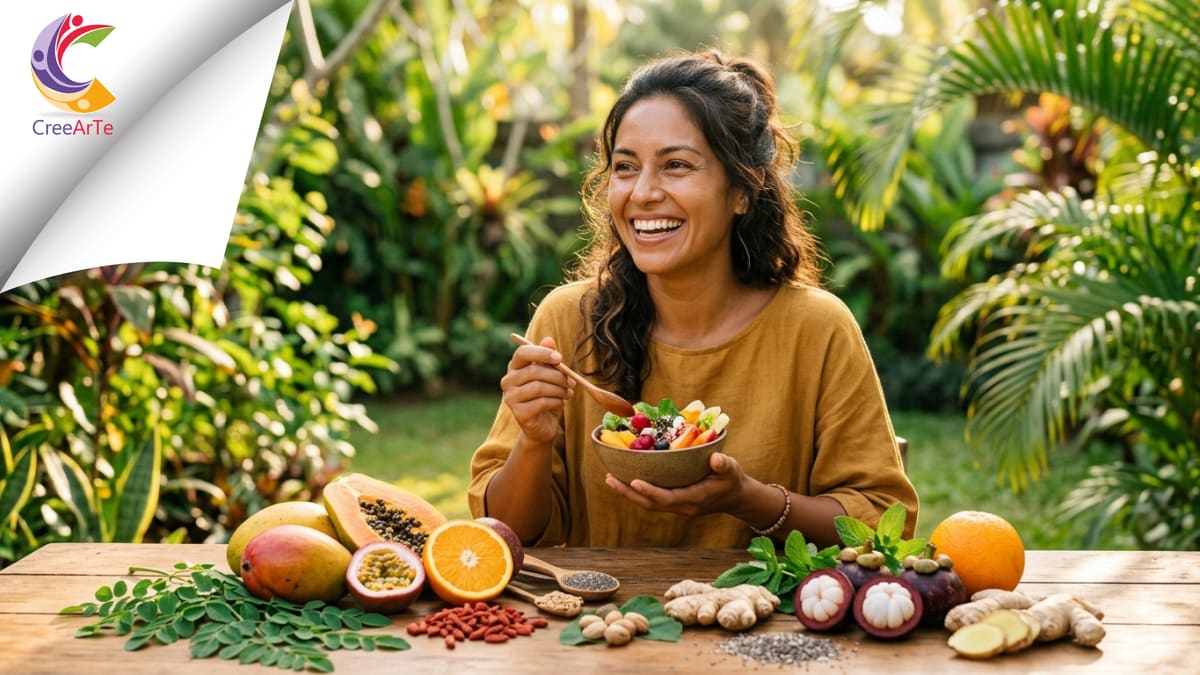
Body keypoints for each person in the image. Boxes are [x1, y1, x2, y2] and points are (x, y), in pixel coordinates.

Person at [467, 48, 917, 549]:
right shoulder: (568, 322)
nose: (643, 192)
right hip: (600, 601)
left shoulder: (815, 328)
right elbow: (504, 533)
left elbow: (881, 521)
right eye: (625, 167)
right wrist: (534, 440)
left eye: (676, 165)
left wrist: (749, 499)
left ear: (742, 190)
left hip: (761, 602)